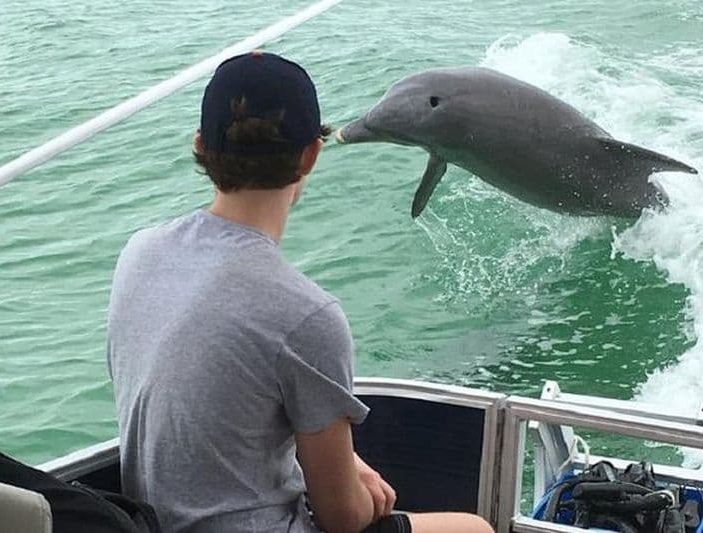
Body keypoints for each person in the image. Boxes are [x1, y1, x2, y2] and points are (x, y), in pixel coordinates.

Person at [107, 51, 493, 533]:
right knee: (473, 528)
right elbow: (342, 518)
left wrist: (343, 468)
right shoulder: (306, 315)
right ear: (311, 154)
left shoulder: (140, 252)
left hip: (151, 522)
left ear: (202, 146)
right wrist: (362, 499)